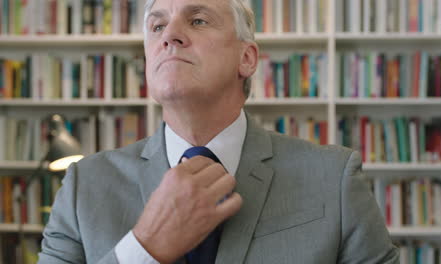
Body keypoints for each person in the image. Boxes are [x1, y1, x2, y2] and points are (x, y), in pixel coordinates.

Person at [38, 0, 399, 263]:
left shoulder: (334, 178)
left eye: (197, 20)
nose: (171, 36)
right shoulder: (83, 186)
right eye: (157, 25)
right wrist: (144, 248)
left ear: (247, 58)